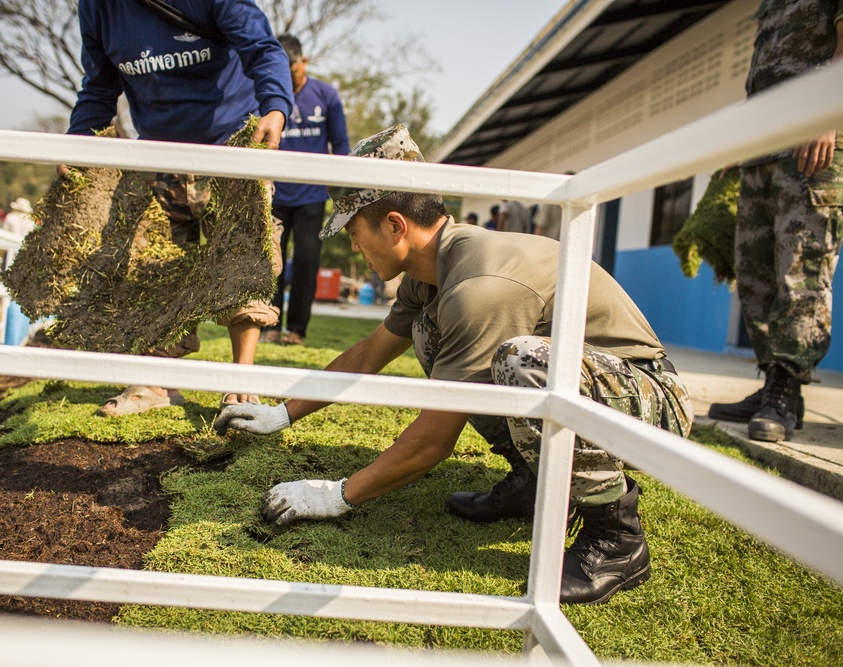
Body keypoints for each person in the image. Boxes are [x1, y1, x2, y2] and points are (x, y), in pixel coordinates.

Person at [216, 125, 694, 605]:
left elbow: (432, 439)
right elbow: (369, 354)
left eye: (354, 231)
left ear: (396, 226)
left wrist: (337, 494)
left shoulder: (477, 286)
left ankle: (617, 538)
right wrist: (283, 413)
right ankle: (533, 482)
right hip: (592, 387)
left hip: (650, 402)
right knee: (435, 336)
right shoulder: (430, 273)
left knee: (520, 362)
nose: (354, 246)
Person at [67, 0, 293, 414]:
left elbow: (263, 49)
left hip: (232, 145)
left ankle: (241, 384)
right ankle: (156, 383)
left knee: (245, 263)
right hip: (160, 151)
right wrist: (77, 137)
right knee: (157, 264)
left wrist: (276, 108)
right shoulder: (97, 6)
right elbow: (99, 86)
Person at [708, 0, 842, 443]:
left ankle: (786, 388)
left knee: (800, 269)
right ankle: (772, 384)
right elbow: (764, 77)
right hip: (763, 146)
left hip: (812, 145)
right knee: (755, 272)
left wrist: (828, 111)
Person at [260, 34, 349, 346]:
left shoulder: (326, 95)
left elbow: (340, 144)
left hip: (312, 196)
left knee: (307, 262)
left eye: (293, 70)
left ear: (304, 62)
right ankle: (269, 325)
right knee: (271, 261)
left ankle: (296, 329)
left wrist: (340, 189)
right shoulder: (270, 97)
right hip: (276, 194)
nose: (290, 77)